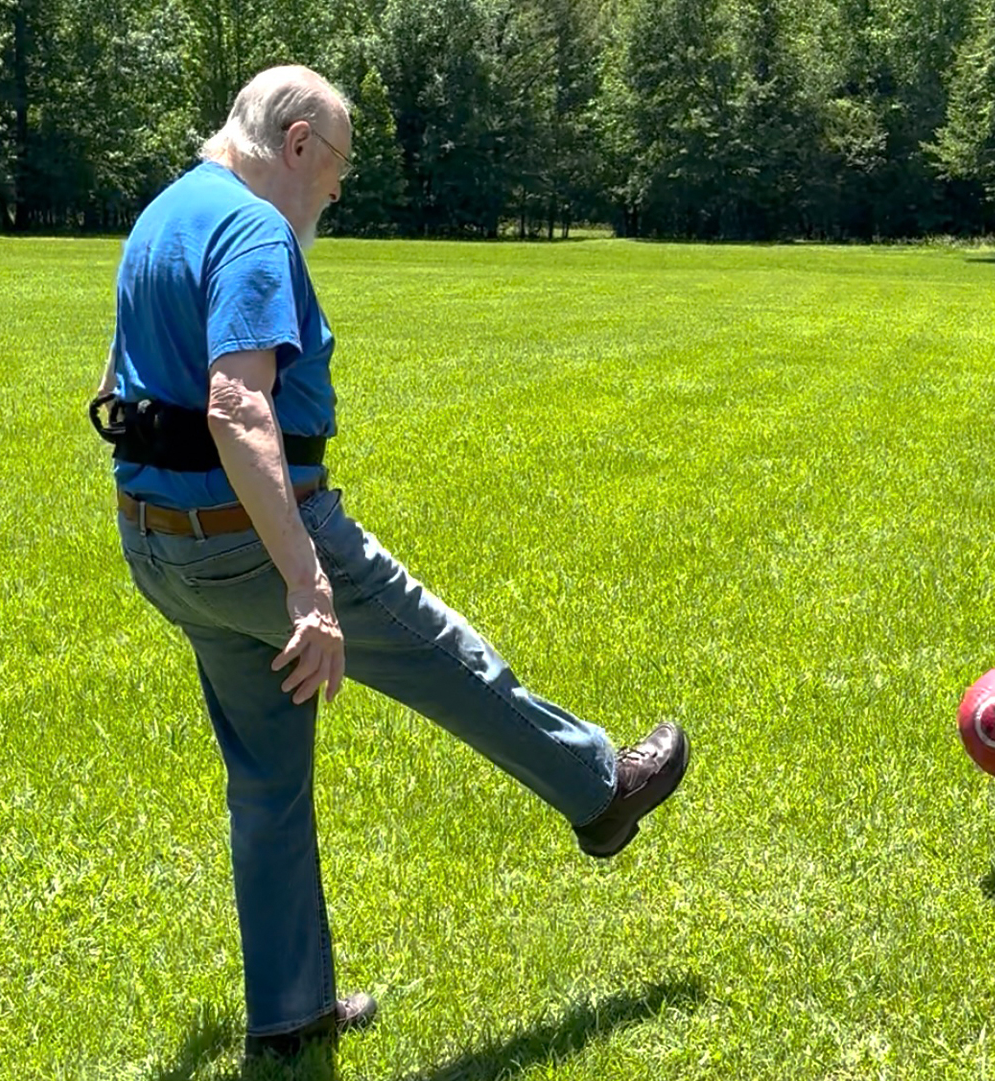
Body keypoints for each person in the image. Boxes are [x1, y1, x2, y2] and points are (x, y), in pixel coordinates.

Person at [92, 65, 690, 1062]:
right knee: (443, 652)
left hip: (160, 545)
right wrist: (306, 582)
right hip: (255, 541)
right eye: (335, 169)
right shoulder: (250, 229)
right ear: (293, 146)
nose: (335, 190)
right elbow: (239, 407)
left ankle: (290, 1014)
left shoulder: (163, 215)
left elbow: (122, 382)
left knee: (265, 781)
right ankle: (599, 789)